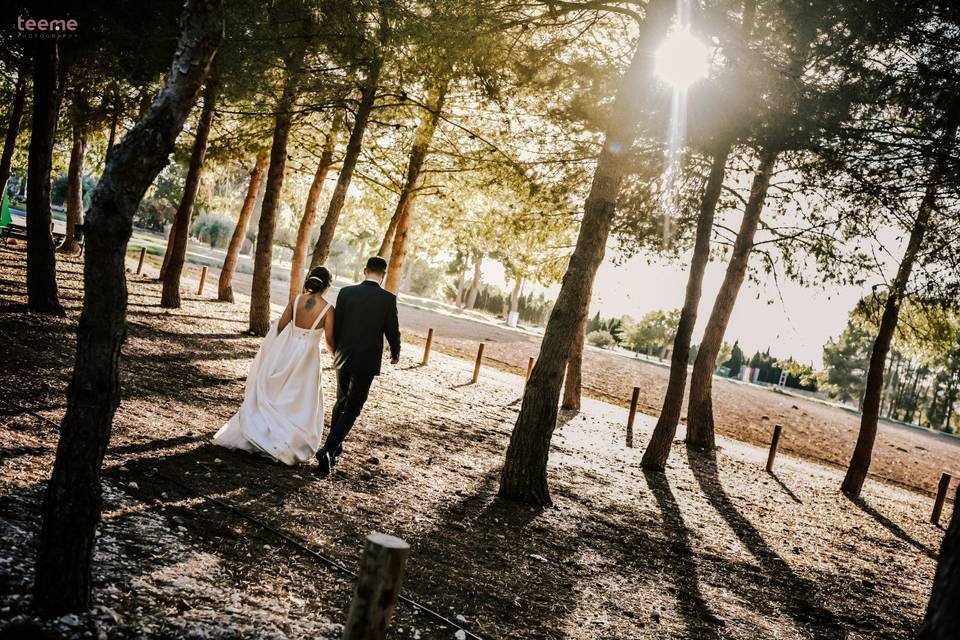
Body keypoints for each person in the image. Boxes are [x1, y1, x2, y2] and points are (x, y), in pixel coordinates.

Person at [213, 267, 335, 465]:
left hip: (286, 353)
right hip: (308, 359)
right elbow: (329, 340)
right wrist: (336, 356)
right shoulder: (328, 309)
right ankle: (285, 441)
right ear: (327, 285)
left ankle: (261, 432)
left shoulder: (296, 301)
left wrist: (275, 353)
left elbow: (280, 327)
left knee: (277, 393)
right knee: (297, 398)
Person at [316, 256, 401, 477]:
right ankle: (327, 449)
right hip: (367, 360)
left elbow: (337, 324)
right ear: (383, 275)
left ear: (365, 271)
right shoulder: (388, 299)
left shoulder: (346, 293)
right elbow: (392, 329)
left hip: (343, 354)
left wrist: (336, 350)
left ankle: (333, 452)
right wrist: (396, 352)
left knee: (341, 402)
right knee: (354, 407)